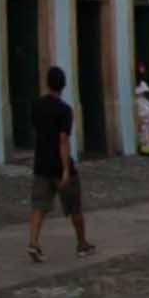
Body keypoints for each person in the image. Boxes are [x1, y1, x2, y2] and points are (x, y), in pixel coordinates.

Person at [27, 66, 94, 262]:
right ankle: (82, 244)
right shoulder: (64, 111)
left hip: (41, 163)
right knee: (75, 207)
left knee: (38, 206)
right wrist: (65, 169)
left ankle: (33, 242)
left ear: (48, 83)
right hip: (59, 165)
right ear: (63, 85)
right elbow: (63, 139)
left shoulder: (36, 106)